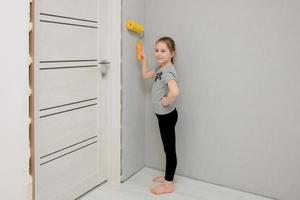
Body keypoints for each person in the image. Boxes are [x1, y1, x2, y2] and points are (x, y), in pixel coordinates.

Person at [140, 36, 180, 195]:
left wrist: (165, 101)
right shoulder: (160, 68)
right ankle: (167, 177)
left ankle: (168, 184)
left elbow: (175, 92)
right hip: (163, 116)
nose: (158, 53)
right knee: (167, 148)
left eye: (163, 51)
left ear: (172, 53)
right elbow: (145, 75)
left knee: (169, 150)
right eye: (156, 50)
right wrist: (145, 59)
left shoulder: (168, 71)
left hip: (167, 116)